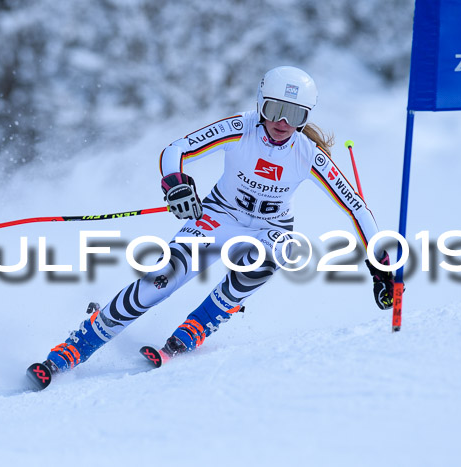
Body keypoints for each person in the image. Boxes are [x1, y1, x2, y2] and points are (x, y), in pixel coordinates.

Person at [41, 66, 394, 374]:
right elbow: (176, 150)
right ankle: (79, 344)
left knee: (273, 256)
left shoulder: (308, 154)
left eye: (294, 115)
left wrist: (381, 268)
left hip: (269, 230)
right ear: (260, 103)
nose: (281, 123)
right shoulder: (241, 127)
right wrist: (176, 185)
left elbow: (357, 208)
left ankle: (199, 325)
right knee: (160, 279)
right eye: (274, 110)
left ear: (305, 118)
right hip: (218, 216)